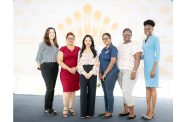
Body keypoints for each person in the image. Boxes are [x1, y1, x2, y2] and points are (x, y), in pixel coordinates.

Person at [117, 28, 142, 119]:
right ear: (122, 35)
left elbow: (137, 59)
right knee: (124, 91)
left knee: (126, 91)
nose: (126, 35)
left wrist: (134, 71)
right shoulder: (119, 45)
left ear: (131, 35)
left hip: (130, 71)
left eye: (128, 33)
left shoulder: (135, 45)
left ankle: (132, 112)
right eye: (125, 33)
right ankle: (126, 110)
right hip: (120, 71)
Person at [35, 27, 59, 116]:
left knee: (52, 88)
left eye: (53, 32)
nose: (52, 34)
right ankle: (46, 108)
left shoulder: (56, 44)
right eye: (50, 32)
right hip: (46, 67)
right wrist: (40, 66)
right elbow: (38, 57)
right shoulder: (43, 44)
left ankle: (51, 107)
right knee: (49, 88)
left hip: (55, 66)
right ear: (47, 34)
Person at [57, 32, 80, 118]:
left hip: (75, 72)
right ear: (66, 39)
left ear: (74, 39)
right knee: (66, 90)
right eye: (69, 38)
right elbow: (59, 60)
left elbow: (81, 61)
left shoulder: (78, 49)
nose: (71, 39)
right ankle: (65, 107)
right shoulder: (62, 49)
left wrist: (76, 68)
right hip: (65, 73)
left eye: (72, 38)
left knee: (73, 91)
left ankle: (71, 107)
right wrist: (69, 68)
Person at [141, 20, 160, 120]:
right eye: (145, 28)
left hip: (153, 67)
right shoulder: (143, 41)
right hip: (146, 67)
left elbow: (158, 56)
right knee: (147, 87)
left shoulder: (155, 39)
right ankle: (148, 109)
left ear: (152, 29)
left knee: (153, 88)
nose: (147, 30)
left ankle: (152, 111)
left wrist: (153, 69)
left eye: (149, 28)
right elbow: (146, 55)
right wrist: (138, 56)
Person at [77, 35, 99, 119]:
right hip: (83, 72)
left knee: (92, 92)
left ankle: (90, 112)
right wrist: (84, 73)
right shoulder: (80, 52)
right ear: (84, 42)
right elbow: (78, 64)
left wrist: (91, 72)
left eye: (89, 40)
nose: (88, 42)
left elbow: (97, 63)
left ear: (92, 42)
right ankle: (83, 113)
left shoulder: (95, 51)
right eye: (86, 40)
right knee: (83, 93)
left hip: (92, 72)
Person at [99, 33, 119, 119]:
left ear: (110, 39)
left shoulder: (113, 48)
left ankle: (110, 111)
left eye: (107, 38)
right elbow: (101, 62)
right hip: (103, 73)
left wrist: (105, 73)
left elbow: (113, 61)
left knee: (109, 92)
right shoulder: (103, 49)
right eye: (104, 39)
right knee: (105, 92)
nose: (105, 40)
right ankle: (106, 110)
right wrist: (100, 73)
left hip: (111, 73)